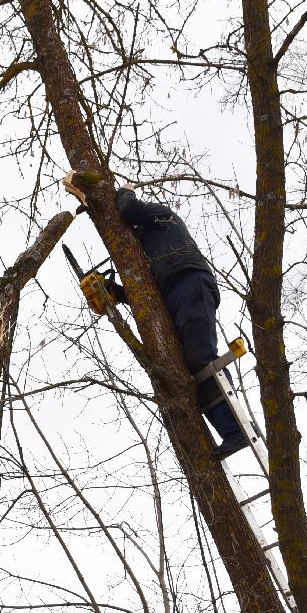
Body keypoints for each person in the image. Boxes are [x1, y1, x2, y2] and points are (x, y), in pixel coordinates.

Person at [62, 172, 249, 460]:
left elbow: (127, 208)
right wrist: (113, 291)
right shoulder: (149, 250)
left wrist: (125, 190)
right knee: (189, 371)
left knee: (202, 358)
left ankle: (236, 431)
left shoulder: (163, 215)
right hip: (175, 292)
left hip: (191, 282)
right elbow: (147, 296)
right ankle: (228, 430)